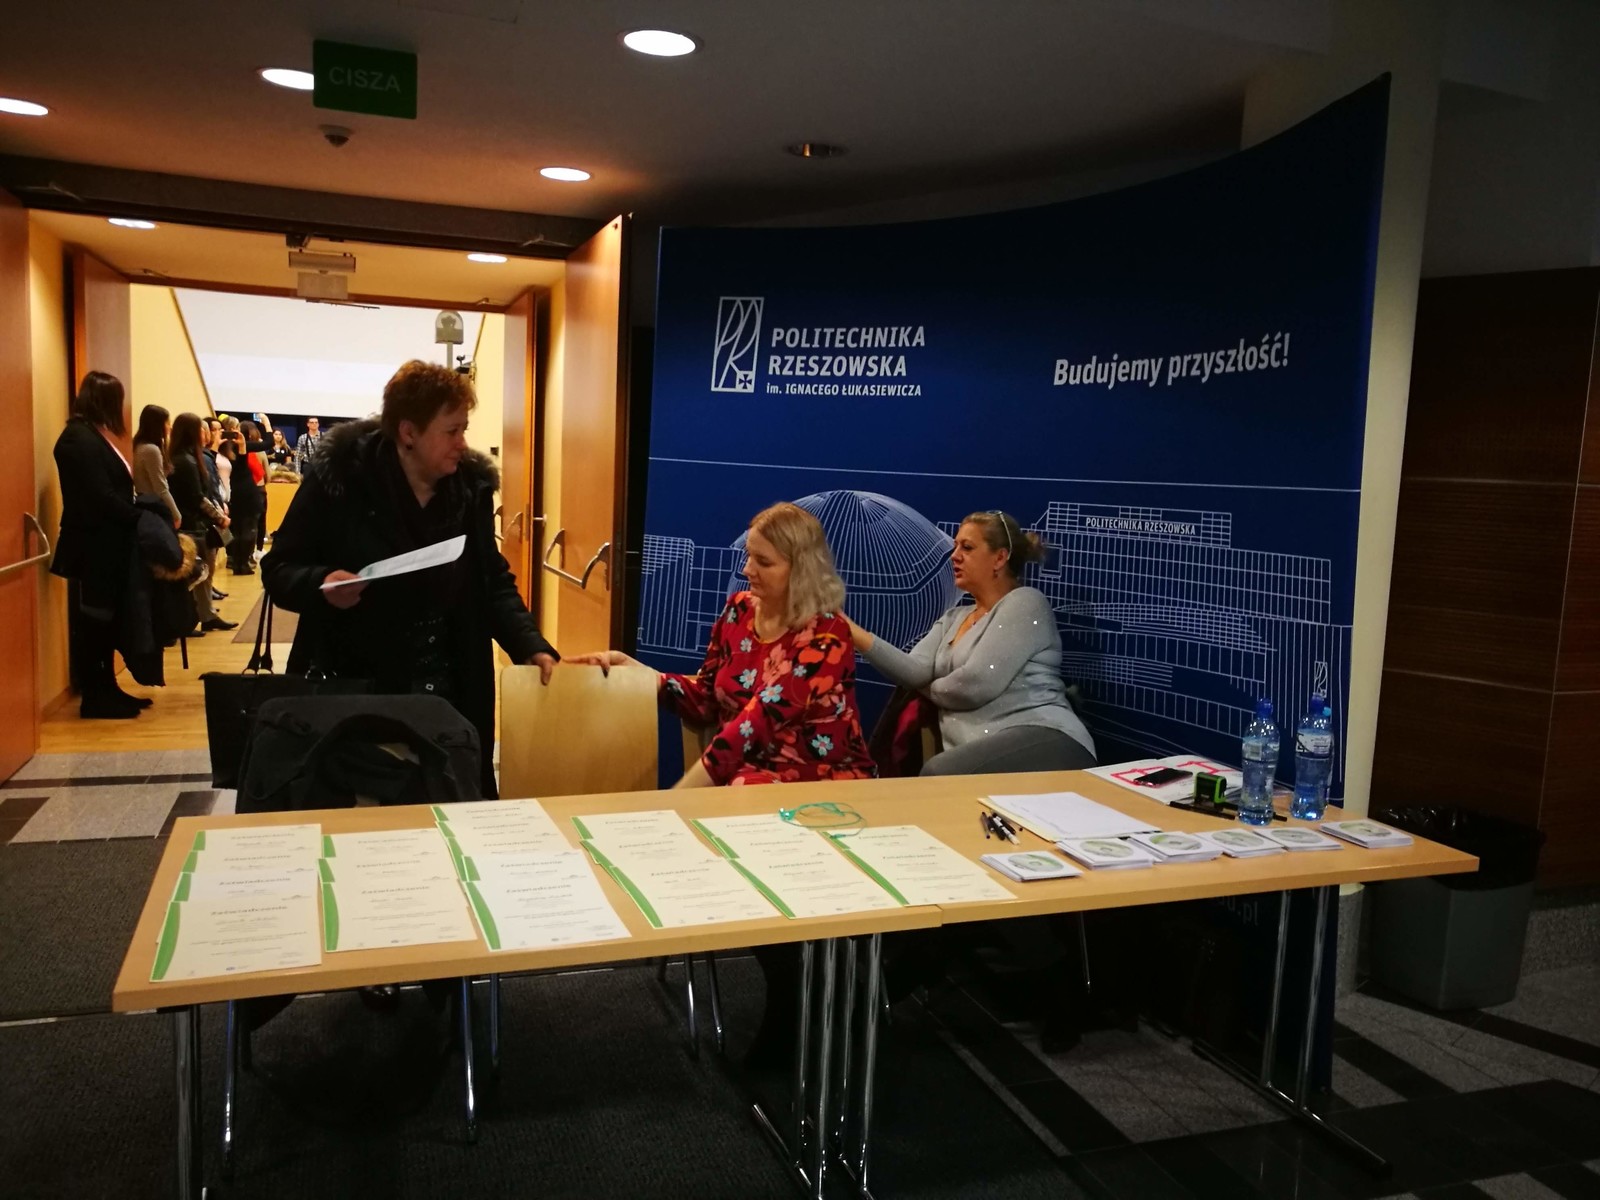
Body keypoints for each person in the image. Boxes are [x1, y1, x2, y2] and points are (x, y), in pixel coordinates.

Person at [262, 361, 557, 798]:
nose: (462, 443)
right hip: (358, 689)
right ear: (408, 432)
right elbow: (279, 567)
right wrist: (322, 584)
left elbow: (490, 580)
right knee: (367, 814)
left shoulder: (469, 489)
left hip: (452, 689)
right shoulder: (341, 479)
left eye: (464, 429)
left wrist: (530, 644)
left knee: (455, 805)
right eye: (451, 431)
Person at [571, 501, 876, 786]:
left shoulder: (827, 636)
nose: (747, 569)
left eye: (763, 562)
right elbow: (705, 701)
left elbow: (754, 724)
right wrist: (640, 675)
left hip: (819, 784)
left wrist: (681, 796)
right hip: (746, 778)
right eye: (748, 555)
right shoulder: (738, 610)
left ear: (801, 570)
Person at [845, 510, 1094, 775]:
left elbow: (974, 685)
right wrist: (849, 629)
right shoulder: (953, 618)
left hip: (1047, 737)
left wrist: (928, 687)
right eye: (955, 547)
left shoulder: (1026, 602)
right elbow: (913, 672)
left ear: (1000, 558)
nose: (954, 556)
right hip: (980, 751)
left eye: (967, 547)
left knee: (938, 772)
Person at [49, 371, 151, 717]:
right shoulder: (78, 439)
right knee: (95, 624)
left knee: (105, 623)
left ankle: (108, 689)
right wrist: (141, 518)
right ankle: (96, 696)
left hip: (105, 544)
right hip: (94, 546)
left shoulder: (90, 435)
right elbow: (100, 497)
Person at [169, 413, 235, 632]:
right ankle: (192, 619)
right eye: (202, 429)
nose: (205, 433)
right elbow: (197, 497)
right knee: (197, 573)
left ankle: (206, 615)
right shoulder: (186, 461)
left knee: (203, 573)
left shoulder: (186, 457)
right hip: (192, 525)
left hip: (196, 523)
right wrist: (219, 517)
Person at [130, 404, 180, 528]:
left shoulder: (138, 445)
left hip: (144, 503)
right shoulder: (151, 450)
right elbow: (160, 487)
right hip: (154, 506)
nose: (170, 427)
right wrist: (176, 514)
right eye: (167, 423)